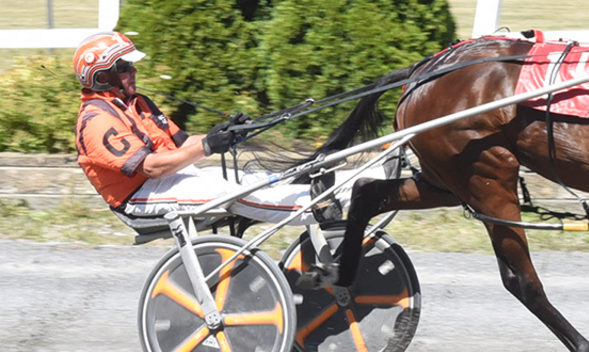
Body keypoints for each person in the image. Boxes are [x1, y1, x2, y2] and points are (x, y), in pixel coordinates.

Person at [72, 31, 385, 231]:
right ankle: (317, 207)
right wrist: (208, 146)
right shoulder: (97, 120)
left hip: (169, 180)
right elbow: (151, 167)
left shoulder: (136, 102)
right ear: (103, 76)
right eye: (125, 67)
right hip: (139, 197)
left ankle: (356, 187)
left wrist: (227, 133)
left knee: (248, 179)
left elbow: (182, 144)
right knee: (229, 191)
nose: (134, 70)